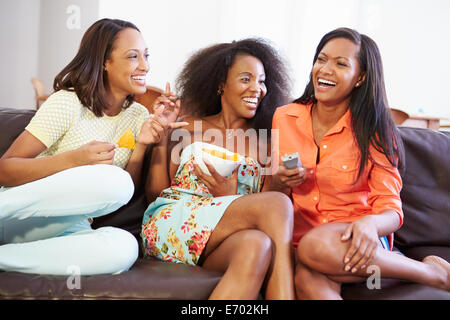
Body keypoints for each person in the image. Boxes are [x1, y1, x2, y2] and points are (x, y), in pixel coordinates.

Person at [269, 27, 450, 299]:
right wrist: (279, 181)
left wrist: (371, 225)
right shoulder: (285, 117)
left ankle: (433, 274)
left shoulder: (374, 129)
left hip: (361, 241)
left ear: (360, 77)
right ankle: (431, 272)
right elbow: (273, 200)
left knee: (313, 247)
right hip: (305, 246)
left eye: (341, 63)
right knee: (308, 278)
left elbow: (392, 210)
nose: (325, 69)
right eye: (321, 59)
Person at [0, 18, 185, 276]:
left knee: (124, 248)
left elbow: (119, 193)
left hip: (68, 225)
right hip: (16, 216)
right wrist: (74, 160)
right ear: (104, 62)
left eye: (146, 55)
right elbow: (5, 169)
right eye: (133, 56)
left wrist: (143, 144)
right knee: (114, 181)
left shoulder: (137, 116)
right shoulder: (68, 103)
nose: (145, 65)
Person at [141, 38, 296, 299]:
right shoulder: (188, 125)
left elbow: (268, 217)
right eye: (246, 79)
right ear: (222, 84)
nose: (257, 89)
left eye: (261, 81)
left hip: (222, 239)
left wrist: (231, 199)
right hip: (174, 223)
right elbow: (155, 194)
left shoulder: (267, 144)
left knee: (257, 245)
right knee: (278, 204)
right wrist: (163, 138)